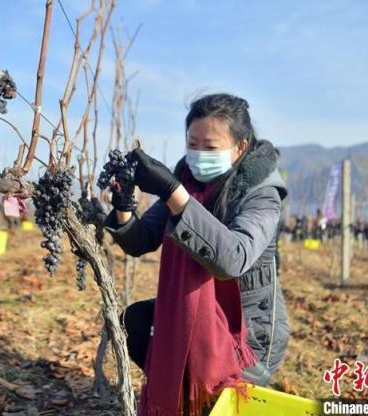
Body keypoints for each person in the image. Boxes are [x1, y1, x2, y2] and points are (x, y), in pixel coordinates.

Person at [104, 93, 290, 415]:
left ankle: (200, 396)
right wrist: (123, 207)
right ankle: (185, 396)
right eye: (193, 144)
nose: (199, 154)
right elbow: (141, 240)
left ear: (240, 147)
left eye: (211, 147)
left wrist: (173, 192)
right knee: (135, 322)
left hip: (246, 333)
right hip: (196, 312)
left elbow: (233, 259)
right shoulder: (187, 181)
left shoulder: (262, 194)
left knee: (215, 397)